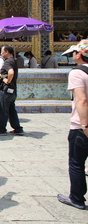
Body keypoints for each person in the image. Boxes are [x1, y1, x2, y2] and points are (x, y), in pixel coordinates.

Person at [57, 39, 88, 210]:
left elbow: (82, 100)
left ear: (80, 54)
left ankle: (76, 198)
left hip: (82, 126)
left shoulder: (77, 73)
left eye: (74, 53)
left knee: (76, 163)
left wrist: (85, 126)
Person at [0, 45, 24, 135]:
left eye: (2, 51)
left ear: (7, 52)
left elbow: (11, 72)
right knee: (11, 110)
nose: (1, 53)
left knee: (3, 109)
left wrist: (7, 81)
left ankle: (1, 128)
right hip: (12, 90)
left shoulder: (7, 62)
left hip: (6, 90)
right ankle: (17, 128)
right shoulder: (13, 61)